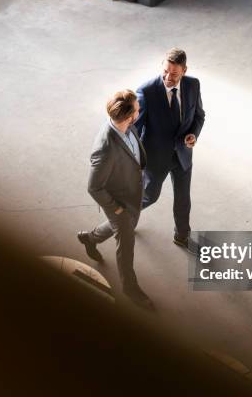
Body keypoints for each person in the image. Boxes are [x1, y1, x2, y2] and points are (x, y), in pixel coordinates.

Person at [77, 90, 154, 310]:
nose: (140, 110)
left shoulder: (125, 125)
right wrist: (117, 210)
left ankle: (89, 238)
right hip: (119, 201)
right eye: (137, 109)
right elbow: (94, 187)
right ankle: (130, 289)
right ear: (129, 117)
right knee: (126, 244)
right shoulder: (105, 149)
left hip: (132, 192)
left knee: (121, 227)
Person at [135, 48, 205, 248]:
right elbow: (135, 130)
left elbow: (199, 115)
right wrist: (135, 161)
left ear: (184, 70)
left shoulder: (193, 85)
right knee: (149, 196)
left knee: (183, 199)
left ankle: (182, 235)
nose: (168, 77)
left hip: (183, 155)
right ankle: (124, 217)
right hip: (156, 158)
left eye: (174, 74)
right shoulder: (146, 91)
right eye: (165, 71)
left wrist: (193, 134)